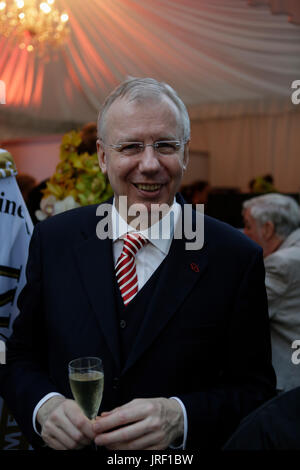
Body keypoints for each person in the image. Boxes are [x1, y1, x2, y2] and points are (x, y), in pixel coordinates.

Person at [0, 77, 276, 451]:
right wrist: (43, 408)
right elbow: (20, 356)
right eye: (130, 146)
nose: (149, 165)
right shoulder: (54, 240)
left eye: (165, 145)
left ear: (186, 153)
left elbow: (255, 389)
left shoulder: (233, 256)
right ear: (102, 156)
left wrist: (182, 416)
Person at [243, 193, 300, 393]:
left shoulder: (281, 263)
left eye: (248, 225)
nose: (243, 233)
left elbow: (245, 315)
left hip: (286, 380)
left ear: (268, 229)